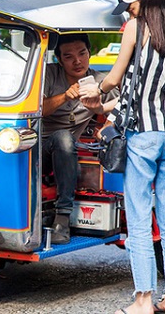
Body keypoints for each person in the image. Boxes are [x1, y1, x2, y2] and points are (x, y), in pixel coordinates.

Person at [81, 0, 165, 314]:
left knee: (138, 216)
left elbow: (116, 78)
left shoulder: (135, 27)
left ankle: (144, 299)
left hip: (144, 134)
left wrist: (97, 91)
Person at [42, 33, 119, 244]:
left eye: (82, 54)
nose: (77, 61)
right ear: (59, 59)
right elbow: (38, 109)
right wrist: (65, 96)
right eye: (68, 56)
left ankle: (62, 218)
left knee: (66, 140)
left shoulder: (99, 82)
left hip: (68, 148)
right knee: (62, 138)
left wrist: (107, 124)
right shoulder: (49, 74)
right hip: (40, 147)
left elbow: (123, 104)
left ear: (89, 54)